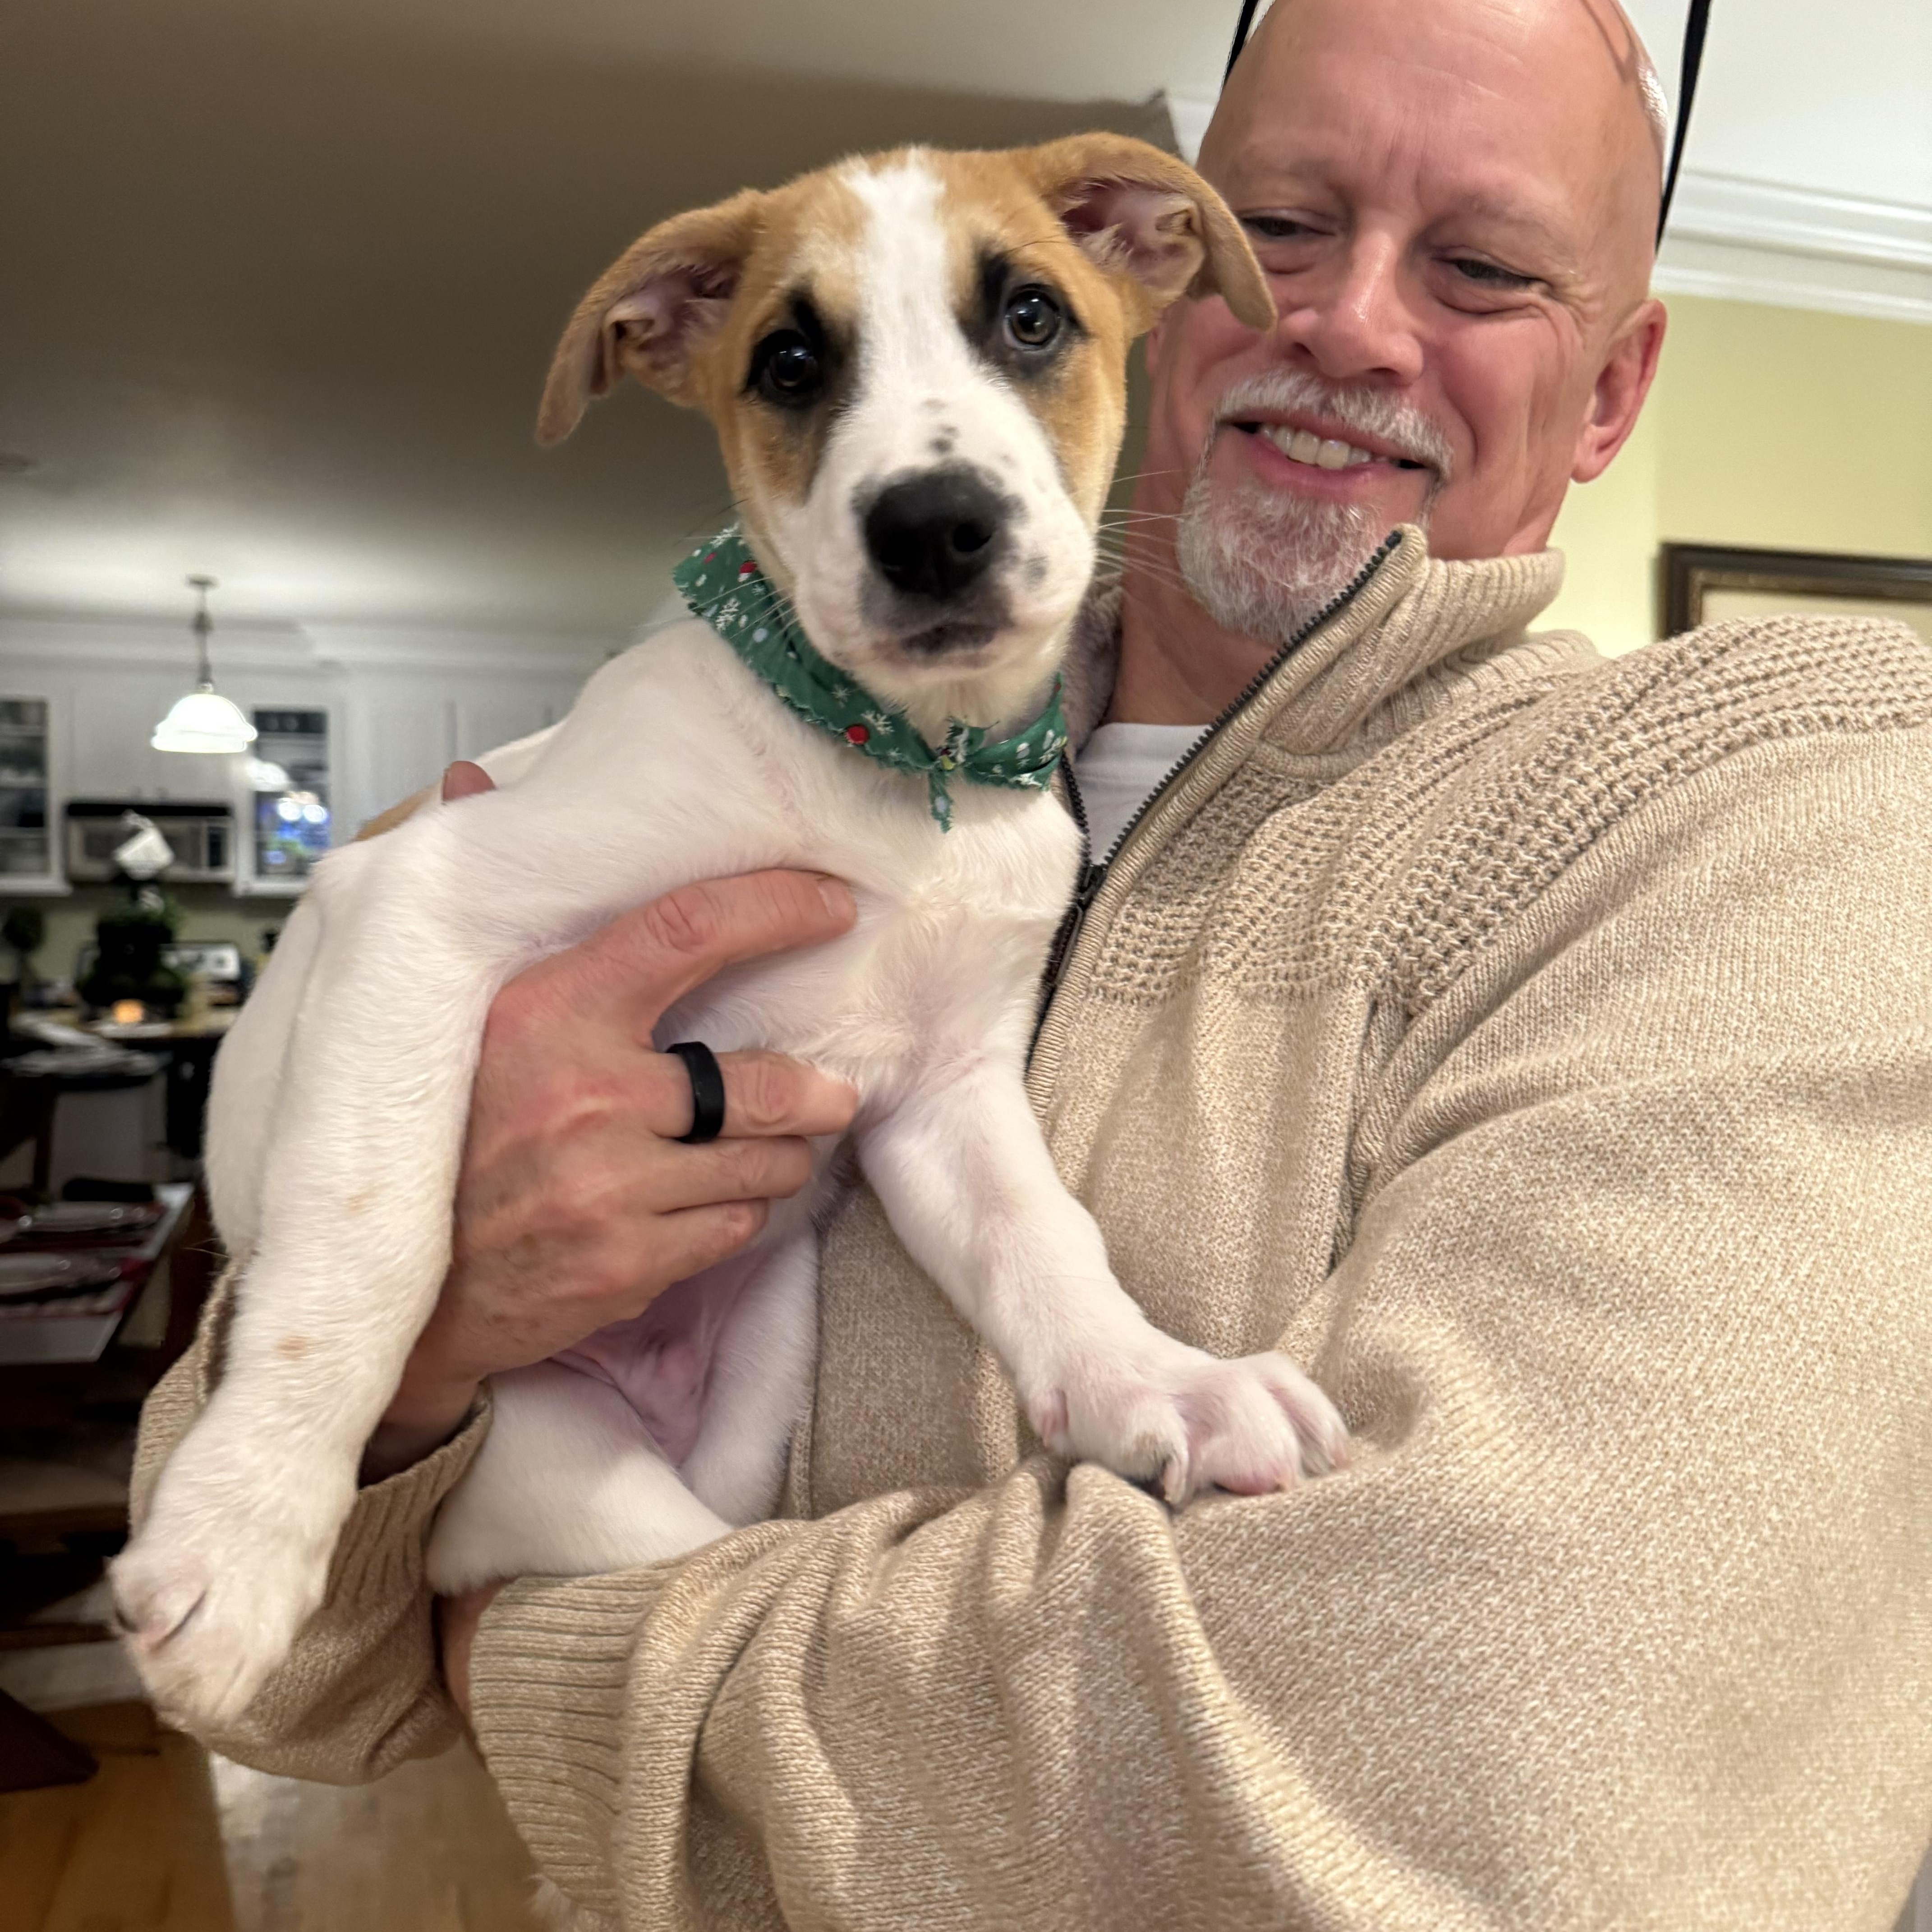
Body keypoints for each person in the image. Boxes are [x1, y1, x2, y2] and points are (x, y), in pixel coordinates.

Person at [134, 0, 1932, 1924]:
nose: (1344, 323)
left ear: (1612, 390)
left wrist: (550, 1660)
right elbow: (280, 1674)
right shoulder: (857, 759)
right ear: (1187, 271)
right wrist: (405, 1369)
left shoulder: (1763, 785)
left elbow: (1514, 1791)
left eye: (1483, 266)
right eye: (1282, 228)